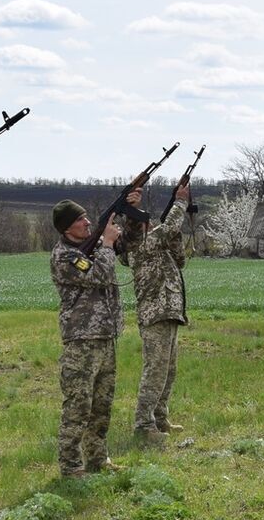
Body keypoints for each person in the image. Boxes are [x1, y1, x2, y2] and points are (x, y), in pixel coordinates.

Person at [50, 199, 123, 477]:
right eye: (81, 220)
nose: (88, 223)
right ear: (68, 227)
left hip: (105, 337)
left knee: (102, 405)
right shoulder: (65, 256)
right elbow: (101, 275)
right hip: (81, 341)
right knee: (78, 406)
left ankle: (97, 459)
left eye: (87, 218)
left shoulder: (90, 248)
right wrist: (106, 244)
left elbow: (125, 251)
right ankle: (71, 467)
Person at [123, 181, 192, 445]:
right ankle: (143, 426)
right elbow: (170, 226)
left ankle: (160, 417)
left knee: (169, 370)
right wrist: (180, 201)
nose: (149, 224)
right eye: (144, 223)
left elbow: (180, 257)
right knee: (155, 371)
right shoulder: (140, 247)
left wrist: (174, 232)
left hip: (170, 313)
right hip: (155, 316)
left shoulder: (157, 244)